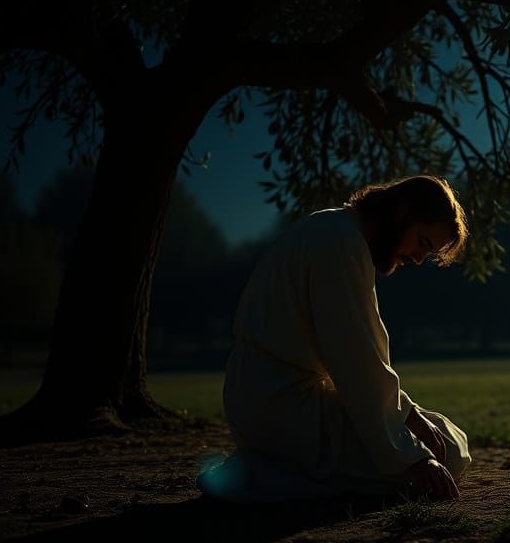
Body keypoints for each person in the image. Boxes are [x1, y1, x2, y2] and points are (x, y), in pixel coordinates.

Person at [197, 175, 470, 502]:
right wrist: (413, 454)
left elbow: (359, 359)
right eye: (422, 243)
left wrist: (409, 416)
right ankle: (259, 475)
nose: (417, 259)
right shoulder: (341, 243)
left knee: (446, 439)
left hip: (271, 396)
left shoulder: (335, 230)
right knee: (428, 468)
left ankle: (276, 468)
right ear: (403, 211)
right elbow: (356, 361)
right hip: (279, 403)